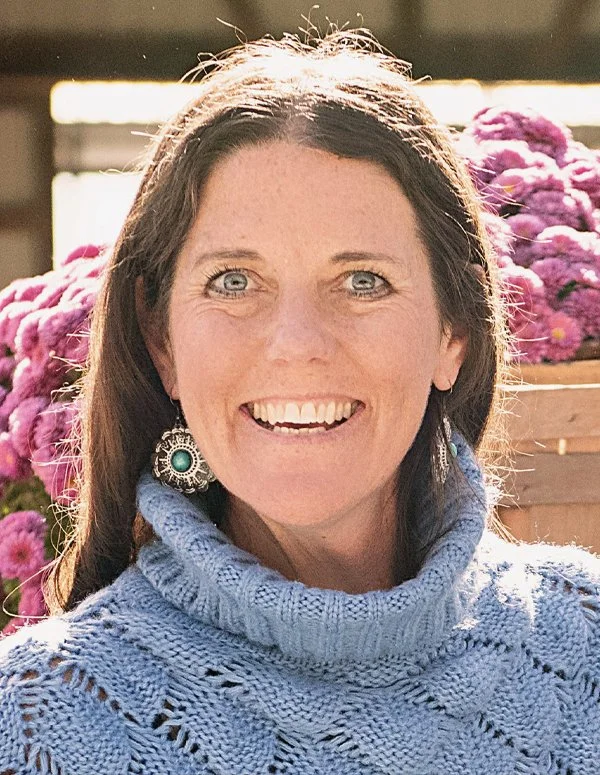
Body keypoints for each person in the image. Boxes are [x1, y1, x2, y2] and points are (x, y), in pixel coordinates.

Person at [1, 28, 599, 775]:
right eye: (233, 281)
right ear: (161, 341)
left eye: (362, 282)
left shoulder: (588, 651)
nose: (297, 343)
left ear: (457, 332)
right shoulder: (32, 723)